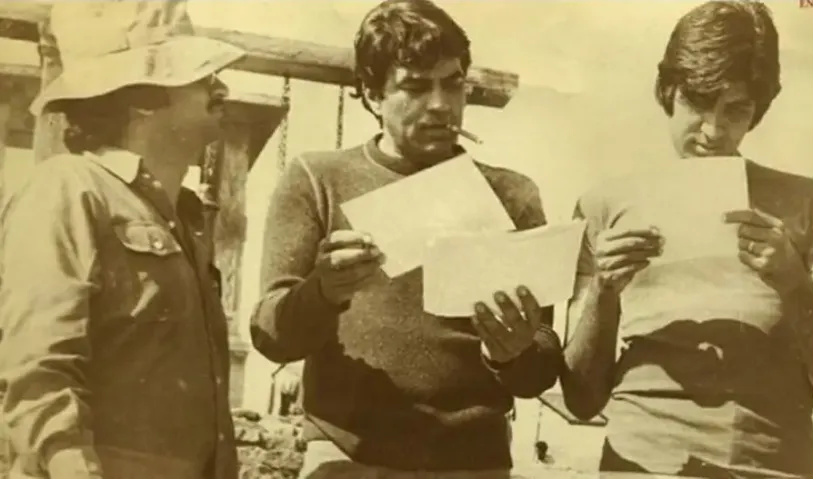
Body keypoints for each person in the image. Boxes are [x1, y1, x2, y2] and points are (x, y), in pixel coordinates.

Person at [249, 0, 562, 477]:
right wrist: (322, 292)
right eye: (415, 87)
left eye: (453, 84)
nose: (440, 104)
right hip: (349, 460)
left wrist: (513, 354)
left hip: (473, 463)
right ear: (372, 95)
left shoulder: (511, 194)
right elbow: (270, 335)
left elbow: (539, 367)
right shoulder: (317, 179)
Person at [561, 1, 813, 478]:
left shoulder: (812, 205)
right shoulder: (604, 206)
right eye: (697, 102)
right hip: (641, 465)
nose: (714, 131)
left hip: (773, 466)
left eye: (736, 110)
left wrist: (795, 286)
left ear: (758, 111)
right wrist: (603, 292)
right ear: (666, 90)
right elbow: (581, 399)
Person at [0, 1, 246, 478]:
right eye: (199, 77)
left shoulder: (181, 217)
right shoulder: (68, 189)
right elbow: (40, 368)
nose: (221, 87)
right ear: (143, 98)